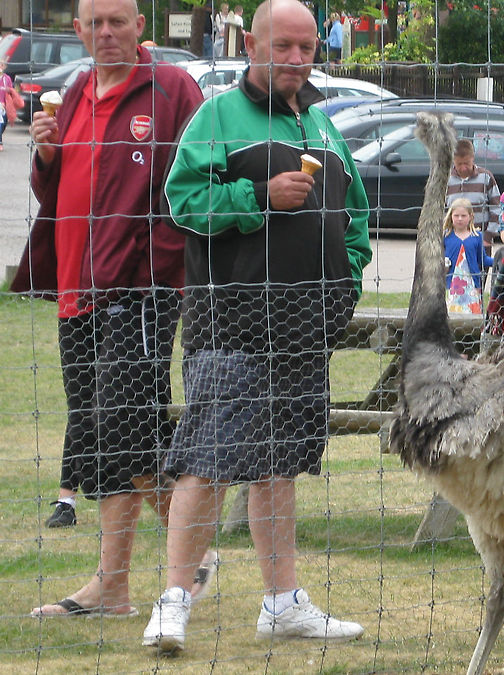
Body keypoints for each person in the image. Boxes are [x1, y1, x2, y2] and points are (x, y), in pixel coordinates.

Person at [142, 0, 372, 653]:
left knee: (279, 468)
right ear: (253, 44)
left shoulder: (323, 126)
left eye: (307, 48)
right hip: (231, 329)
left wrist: (344, 285)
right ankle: (174, 600)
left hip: (307, 334)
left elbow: (354, 217)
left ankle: (283, 603)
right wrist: (257, 199)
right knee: (206, 463)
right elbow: (182, 204)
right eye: (284, 47)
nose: (297, 59)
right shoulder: (216, 117)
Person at [11, 0, 209, 618]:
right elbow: (56, 189)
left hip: (141, 292)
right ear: (77, 31)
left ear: (140, 26)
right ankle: (117, 588)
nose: (105, 33)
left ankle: (192, 559)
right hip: (77, 289)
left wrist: (162, 266)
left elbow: (198, 179)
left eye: (117, 21)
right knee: (103, 437)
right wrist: (44, 155)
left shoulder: (172, 89)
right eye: (94, 23)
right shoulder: (74, 91)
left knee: (122, 424)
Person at [445, 139, 502, 262]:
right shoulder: (446, 180)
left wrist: (488, 236)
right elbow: (442, 211)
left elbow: (497, 209)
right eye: (459, 164)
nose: (463, 168)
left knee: (478, 279)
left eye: (467, 163)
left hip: (480, 242)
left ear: (473, 158)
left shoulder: (485, 177)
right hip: (453, 242)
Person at [443, 198, 493, 313]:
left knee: (472, 314)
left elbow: (483, 259)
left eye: (463, 215)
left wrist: (502, 260)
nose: (460, 219)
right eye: (456, 215)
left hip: (472, 287)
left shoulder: (476, 236)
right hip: (451, 286)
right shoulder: (446, 236)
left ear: (470, 216)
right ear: (451, 216)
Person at [1, 57, 15, 151]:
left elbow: (11, 91)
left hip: (4, 106)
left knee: (4, 123)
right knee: (0, 124)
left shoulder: (7, 78)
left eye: (2, 65)